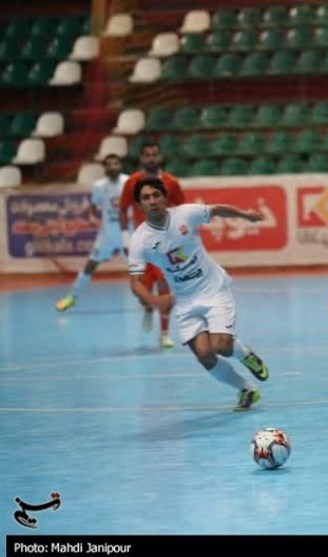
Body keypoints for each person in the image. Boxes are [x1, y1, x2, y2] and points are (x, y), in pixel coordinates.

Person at [127, 177, 270, 412]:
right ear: (139, 204)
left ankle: (245, 355)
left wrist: (245, 215)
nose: (152, 201)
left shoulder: (186, 214)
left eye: (156, 195)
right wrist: (155, 301)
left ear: (164, 197)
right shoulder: (140, 240)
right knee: (204, 355)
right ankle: (246, 389)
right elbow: (135, 282)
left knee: (221, 345)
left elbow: (217, 210)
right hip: (185, 301)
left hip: (213, 289)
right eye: (146, 198)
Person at [119, 140, 186, 348]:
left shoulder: (171, 182)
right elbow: (122, 209)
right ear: (141, 158)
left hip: (166, 245)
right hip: (141, 247)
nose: (151, 158)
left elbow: (183, 211)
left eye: (154, 154)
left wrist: (181, 240)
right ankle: (148, 307)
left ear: (160, 157)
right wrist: (125, 236)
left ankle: (164, 333)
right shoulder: (132, 182)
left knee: (165, 285)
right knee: (141, 291)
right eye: (147, 155)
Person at [55, 154, 130, 312]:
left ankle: (157, 298)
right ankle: (72, 297)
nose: (113, 167)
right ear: (105, 168)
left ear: (120, 165)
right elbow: (94, 207)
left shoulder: (129, 182)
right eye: (109, 164)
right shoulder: (99, 186)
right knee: (90, 266)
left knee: (142, 268)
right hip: (106, 236)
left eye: (116, 163)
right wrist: (91, 216)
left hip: (126, 235)